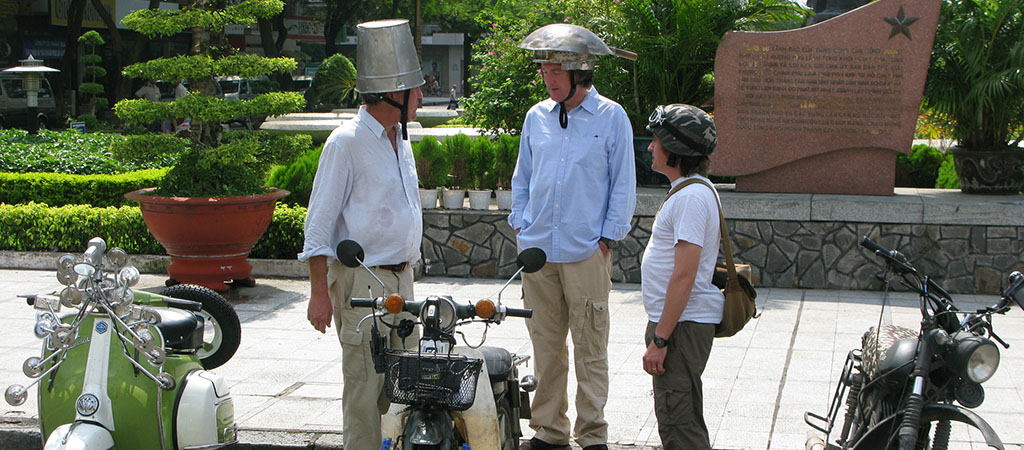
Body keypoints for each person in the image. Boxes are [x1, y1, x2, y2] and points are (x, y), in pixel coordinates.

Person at [298, 19, 424, 450]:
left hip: (402, 278)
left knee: (406, 384)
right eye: (414, 88)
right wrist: (319, 293)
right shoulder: (345, 142)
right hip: (360, 281)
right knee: (364, 390)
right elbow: (318, 226)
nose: (422, 97)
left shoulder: (401, 138)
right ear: (393, 92)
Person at [511, 23, 636, 450]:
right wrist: (519, 225)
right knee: (546, 345)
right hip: (538, 251)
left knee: (590, 346)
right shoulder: (535, 117)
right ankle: (549, 431)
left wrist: (608, 238)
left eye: (554, 71)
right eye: (543, 71)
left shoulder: (611, 116)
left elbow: (622, 184)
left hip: (587, 250)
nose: (546, 78)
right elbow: (523, 177)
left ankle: (592, 434)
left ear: (580, 72)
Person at [639, 104, 723, 450]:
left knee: (678, 425)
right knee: (681, 416)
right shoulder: (692, 190)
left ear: (676, 150)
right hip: (678, 324)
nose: (649, 147)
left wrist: (660, 340)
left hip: (679, 327)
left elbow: (685, 275)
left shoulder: (691, 198)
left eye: (656, 140)